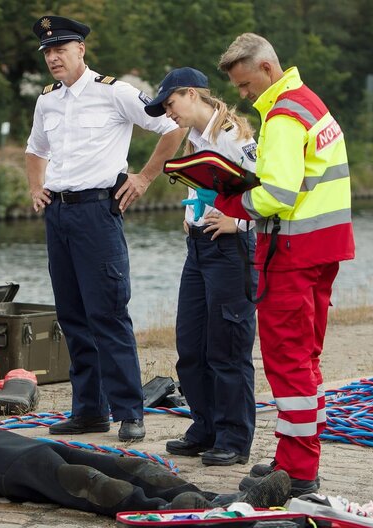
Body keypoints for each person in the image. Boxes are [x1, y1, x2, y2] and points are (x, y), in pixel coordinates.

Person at [194, 33, 355, 496]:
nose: (242, 95)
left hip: (292, 253)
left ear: (266, 70)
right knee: (306, 359)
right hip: (323, 248)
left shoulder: (284, 116)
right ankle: (293, 456)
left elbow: (278, 194)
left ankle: (300, 471)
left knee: (288, 363)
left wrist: (231, 197)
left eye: (245, 85)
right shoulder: (308, 102)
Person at [25, 15, 186, 442]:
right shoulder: (47, 101)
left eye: (61, 49)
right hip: (58, 214)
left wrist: (145, 177)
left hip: (98, 211)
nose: (53, 57)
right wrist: (35, 186)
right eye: (48, 52)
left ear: (81, 49)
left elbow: (171, 127)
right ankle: (90, 411)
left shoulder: (114, 92)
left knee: (108, 315)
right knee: (72, 317)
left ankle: (130, 411)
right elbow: (34, 148)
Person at [142, 67, 258, 467]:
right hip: (198, 248)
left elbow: (266, 188)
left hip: (230, 247)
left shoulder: (234, 136)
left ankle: (233, 437)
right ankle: (204, 426)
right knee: (191, 345)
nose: (167, 113)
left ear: (192, 95)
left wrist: (238, 222)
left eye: (170, 104)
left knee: (227, 348)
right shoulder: (193, 140)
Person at [0, 426, 292, 515]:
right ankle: (183, 510)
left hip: (42, 447)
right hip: (18, 469)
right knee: (93, 485)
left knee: (132, 464)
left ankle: (225, 500)